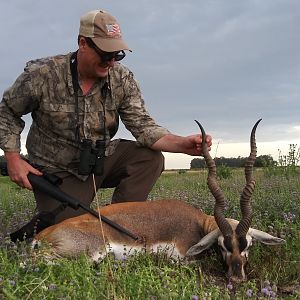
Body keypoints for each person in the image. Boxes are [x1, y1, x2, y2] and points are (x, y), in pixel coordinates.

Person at [0, 10, 212, 237]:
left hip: (100, 160)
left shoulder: (122, 78)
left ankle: (120, 225)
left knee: (149, 158)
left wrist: (183, 144)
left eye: (117, 55)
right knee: (67, 234)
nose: (111, 62)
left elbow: (143, 126)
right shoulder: (43, 75)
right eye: (104, 54)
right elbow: (7, 112)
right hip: (58, 172)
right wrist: (13, 158)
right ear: (83, 43)